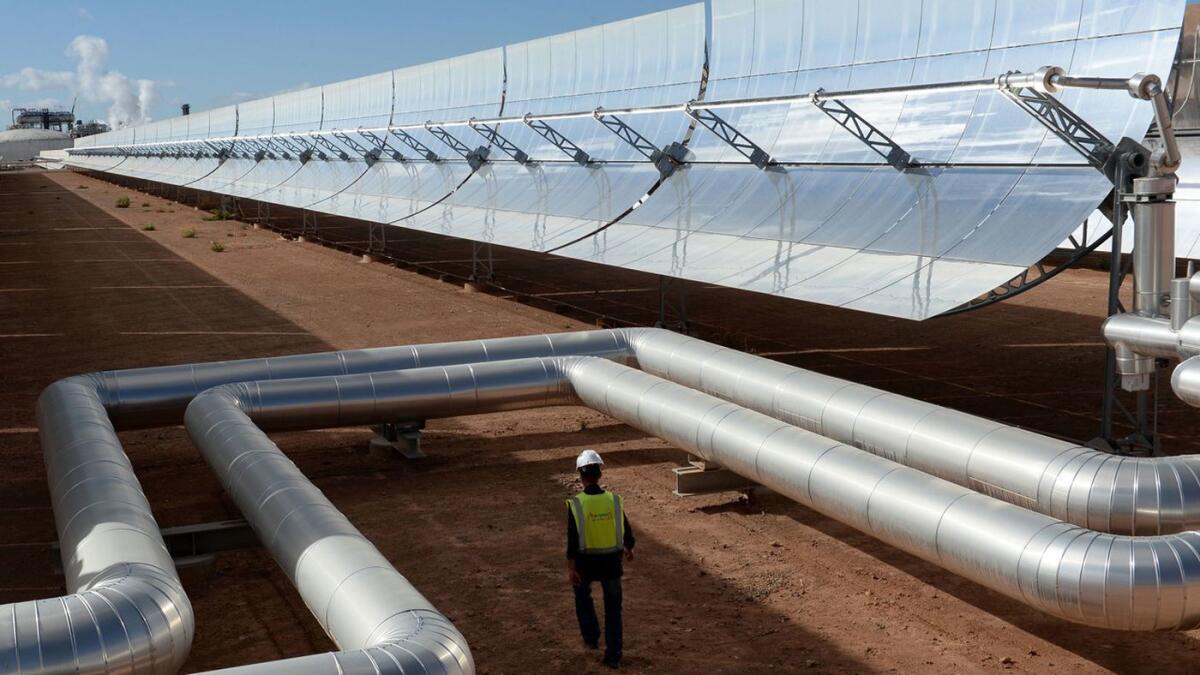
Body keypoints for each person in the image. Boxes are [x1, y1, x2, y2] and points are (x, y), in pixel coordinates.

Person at [566, 449, 635, 669]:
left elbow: (572, 540)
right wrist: (629, 548)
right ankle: (614, 655)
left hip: (586, 563)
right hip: (611, 563)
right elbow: (627, 532)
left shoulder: (576, 504)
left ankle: (591, 637)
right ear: (600, 474)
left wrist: (571, 568)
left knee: (583, 598)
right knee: (614, 609)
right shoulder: (614, 501)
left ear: (581, 476)